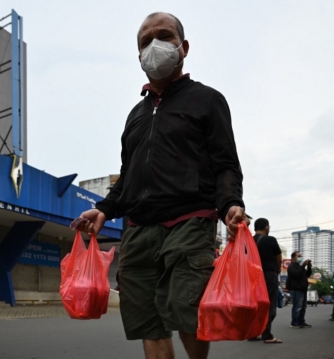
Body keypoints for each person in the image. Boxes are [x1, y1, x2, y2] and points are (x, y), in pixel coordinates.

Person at [72, 12, 246, 359]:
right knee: (147, 321)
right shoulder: (135, 115)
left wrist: (230, 205)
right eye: (145, 41)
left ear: (183, 47)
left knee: (186, 310)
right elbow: (129, 176)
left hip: (189, 222)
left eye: (164, 36)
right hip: (137, 231)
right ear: (139, 58)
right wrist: (104, 209)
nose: (154, 45)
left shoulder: (207, 100)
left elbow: (225, 163)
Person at [248, 218, 283, 343]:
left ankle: (253, 333)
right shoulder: (271, 239)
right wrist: (278, 269)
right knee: (269, 304)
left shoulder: (249, 240)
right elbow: (278, 257)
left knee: (255, 305)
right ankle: (267, 335)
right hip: (268, 274)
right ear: (266, 227)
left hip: (252, 275)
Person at [286, 251, 312, 328]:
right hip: (296, 289)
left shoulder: (299, 266)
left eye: (301, 256)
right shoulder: (291, 266)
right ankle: (294, 322)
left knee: (303, 307)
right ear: (293, 257)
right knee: (297, 306)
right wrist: (303, 265)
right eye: (299, 256)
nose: (300, 258)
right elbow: (296, 274)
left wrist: (309, 267)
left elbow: (307, 274)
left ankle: (301, 321)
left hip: (303, 289)